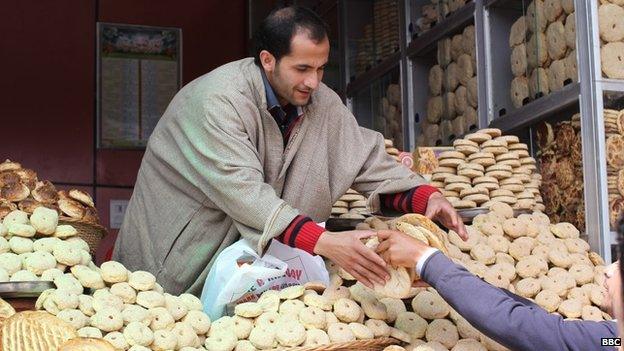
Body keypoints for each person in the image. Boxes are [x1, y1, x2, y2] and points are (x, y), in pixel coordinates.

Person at [112, 5, 466, 295]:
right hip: (173, 269)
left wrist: (426, 197)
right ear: (268, 60)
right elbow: (246, 194)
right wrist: (326, 242)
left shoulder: (319, 101)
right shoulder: (216, 102)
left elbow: (365, 159)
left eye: (321, 68)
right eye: (302, 68)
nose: (313, 81)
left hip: (247, 278)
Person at [376, 216, 624, 351]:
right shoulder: (612, 339)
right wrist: (453, 278)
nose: (608, 270)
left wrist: (426, 261)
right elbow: (554, 333)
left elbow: (527, 329)